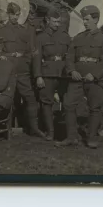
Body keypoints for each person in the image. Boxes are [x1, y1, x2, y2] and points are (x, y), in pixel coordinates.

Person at [55, 5, 103, 149]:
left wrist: (94, 74)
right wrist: (71, 71)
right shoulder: (78, 38)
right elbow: (69, 58)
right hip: (77, 79)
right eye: (84, 19)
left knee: (94, 108)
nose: (84, 22)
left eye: (87, 19)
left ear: (96, 19)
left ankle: (91, 138)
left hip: (94, 80)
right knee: (68, 105)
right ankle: (71, 137)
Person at [0, 2, 44, 138]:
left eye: (17, 15)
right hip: (8, 73)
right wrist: (9, 56)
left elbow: (31, 52)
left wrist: (26, 62)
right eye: (12, 15)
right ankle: (7, 128)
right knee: (8, 101)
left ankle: (34, 128)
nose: (15, 17)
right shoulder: (1, 31)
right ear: (8, 14)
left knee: (31, 100)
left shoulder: (24, 30)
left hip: (23, 72)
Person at [33, 8, 70, 141]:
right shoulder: (40, 38)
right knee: (46, 102)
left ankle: (67, 130)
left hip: (63, 74)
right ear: (47, 21)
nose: (57, 24)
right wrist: (38, 76)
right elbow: (36, 59)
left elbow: (70, 56)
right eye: (54, 21)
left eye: (59, 22)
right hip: (47, 74)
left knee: (67, 101)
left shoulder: (65, 36)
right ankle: (50, 132)